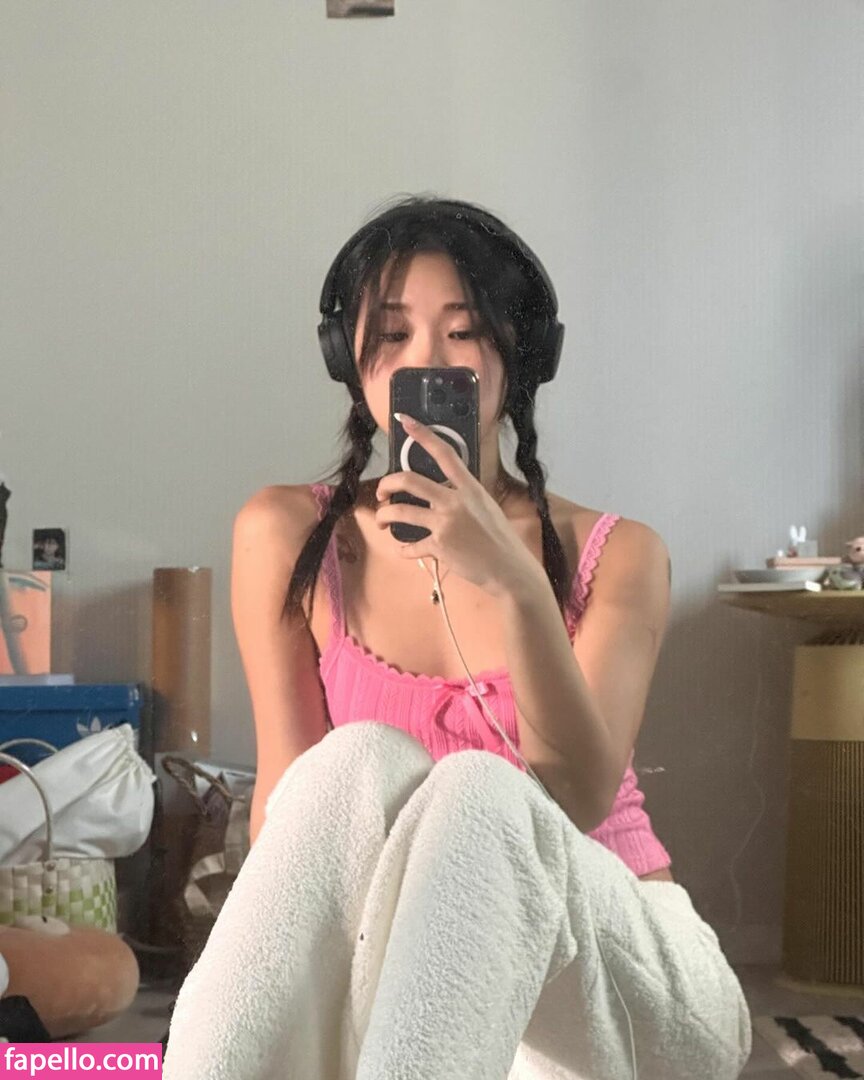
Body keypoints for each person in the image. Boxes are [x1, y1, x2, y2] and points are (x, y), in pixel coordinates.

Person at [163, 196, 751, 1079]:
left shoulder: (618, 554)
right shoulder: (291, 536)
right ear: (347, 359)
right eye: (392, 334)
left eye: (464, 331)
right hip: (429, 1001)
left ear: (521, 354)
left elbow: (579, 797)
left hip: (631, 987)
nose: (427, 360)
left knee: (481, 793)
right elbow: (290, 808)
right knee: (352, 762)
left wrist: (517, 585)